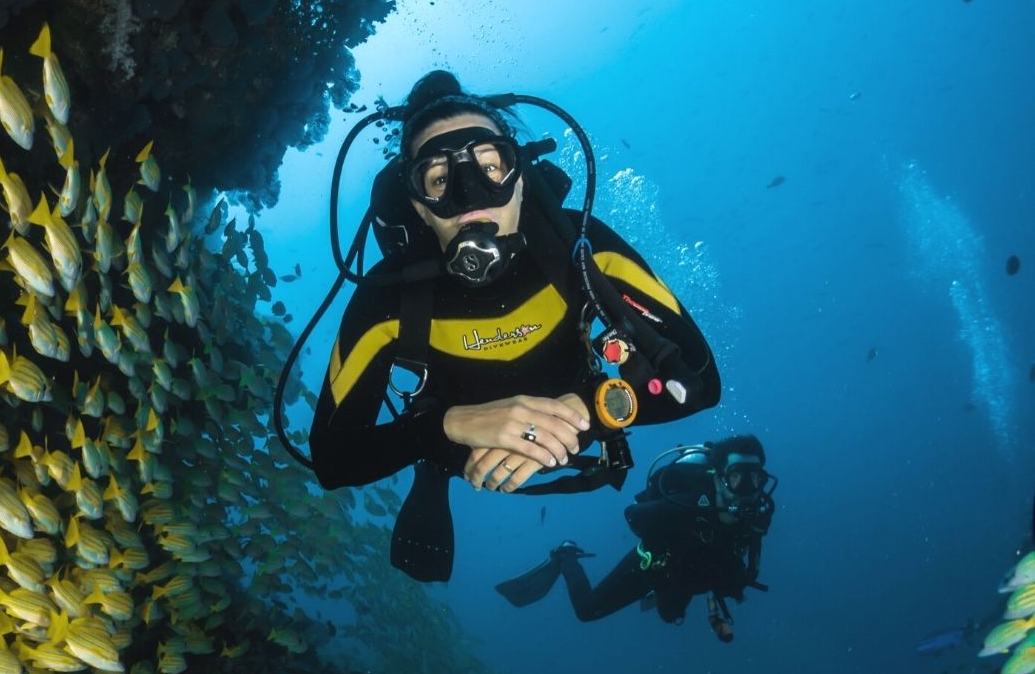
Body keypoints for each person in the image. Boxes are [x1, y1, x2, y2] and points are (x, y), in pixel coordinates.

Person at [307, 70, 721, 580]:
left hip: (583, 415)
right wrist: (446, 427)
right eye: (438, 179)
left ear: (521, 176)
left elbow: (701, 380)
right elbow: (333, 458)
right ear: (417, 204)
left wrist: (592, 410)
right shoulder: (387, 297)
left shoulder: (583, 249)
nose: (469, 195)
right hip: (453, 446)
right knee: (433, 453)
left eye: (490, 166)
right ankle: (433, 470)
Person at [496, 436, 777, 642]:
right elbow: (633, 514)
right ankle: (565, 556)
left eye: (756, 478)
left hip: (695, 573)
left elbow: (748, 558)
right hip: (654, 567)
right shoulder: (688, 502)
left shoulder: (757, 515)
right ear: (718, 478)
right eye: (737, 476)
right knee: (587, 611)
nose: (748, 488)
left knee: (669, 616)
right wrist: (672, 534)